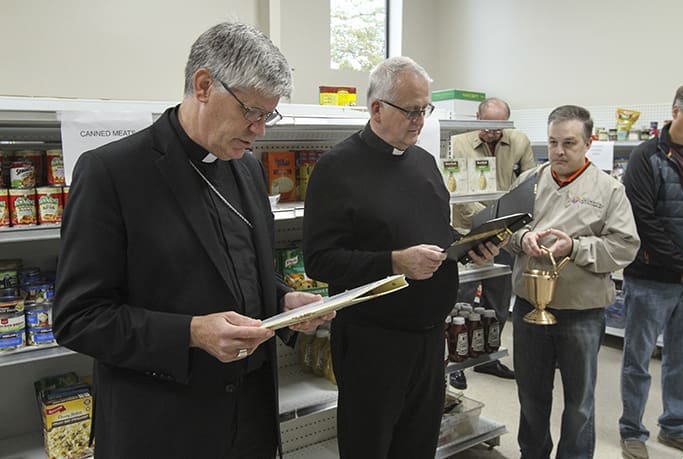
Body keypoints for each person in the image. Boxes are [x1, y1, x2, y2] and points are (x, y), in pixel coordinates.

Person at [53, 22, 332, 459]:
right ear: (203, 85)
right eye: (251, 111)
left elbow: (238, 266)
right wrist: (190, 333)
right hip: (162, 428)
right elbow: (78, 318)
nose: (260, 129)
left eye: (268, 115)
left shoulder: (247, 168)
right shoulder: (112, 174)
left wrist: (281, 299)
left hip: (251, 420)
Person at [302, 56, 502, 458]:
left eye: (424, 109)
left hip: (429, 341)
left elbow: (436, 237)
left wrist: (468, 247)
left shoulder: (425, 164)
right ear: (377, 108)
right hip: (372, 343)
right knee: (369, 447)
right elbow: (320, 261)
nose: (420, 120)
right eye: (411, 110)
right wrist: (395, 262)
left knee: (418, 445)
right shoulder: (336, 168)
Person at [506, 105, 639, 458]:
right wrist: (522, 240)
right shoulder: (528, 182)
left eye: (569, 143)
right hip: (527, 308)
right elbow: (504, 228)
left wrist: (576, 247)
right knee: (531, 396)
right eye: (552, 142)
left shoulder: (609, 190)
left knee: (580, 402)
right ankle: (531, 453)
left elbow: (624, 247)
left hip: (581, 312)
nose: (559, 152)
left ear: (589, 143)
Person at [619, 83, 683, 459]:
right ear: (676, 111)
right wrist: (682, 266)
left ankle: (676, 426)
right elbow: (643, 221)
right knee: (638, 359)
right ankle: (632, 430)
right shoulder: (646, 156)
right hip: (651, 278)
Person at [449, 97, 536, 386]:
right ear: (477, 118)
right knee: (462, 297)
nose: (492, 133)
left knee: (498, 298)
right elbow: (457, 191)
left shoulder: (519, 141)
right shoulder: (458, 143)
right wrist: (488, 221)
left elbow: (529, 182)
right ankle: (455, 362)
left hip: (506, 235)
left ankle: (490, 357)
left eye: (499, 128)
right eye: (487, 127)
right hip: (467, 231)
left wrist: (508, 223)